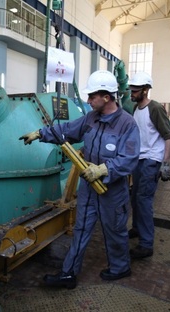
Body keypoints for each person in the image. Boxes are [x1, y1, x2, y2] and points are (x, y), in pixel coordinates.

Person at [19, 70, 140, 289]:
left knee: (114, 230)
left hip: (112, 191)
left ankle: (121, 267)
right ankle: (68, 274)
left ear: (106, 97)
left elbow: (129, 158)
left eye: (92, 96)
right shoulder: (90, 118)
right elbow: (66, 130)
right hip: (88, 188)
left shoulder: (127, 124)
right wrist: (40, 133)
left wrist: (103, 169)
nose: (88, 100)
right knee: (82, 228)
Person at [127, 72, 170, 259]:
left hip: (152, 160)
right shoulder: (135, 109)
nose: (132, 93)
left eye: (135, 90)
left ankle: (146, 244)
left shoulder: (154, 108)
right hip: (139, 159)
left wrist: (166, 163)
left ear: (145, 90)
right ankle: (137, 228)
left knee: (144, 200)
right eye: (131, 89)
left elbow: (168, 136)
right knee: (135, 197)